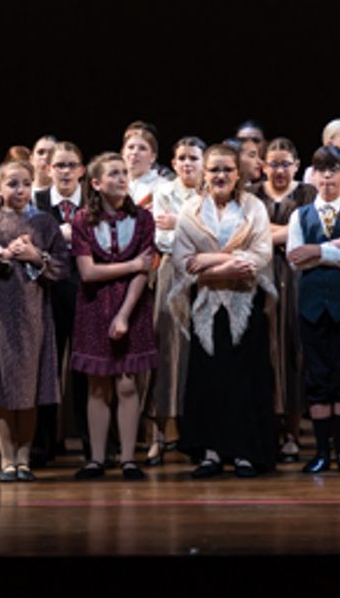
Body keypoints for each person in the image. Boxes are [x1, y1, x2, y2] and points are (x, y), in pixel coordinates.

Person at [170, 143, 278, 478]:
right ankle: (212, 452)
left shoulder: (253, 207)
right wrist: (225, 266)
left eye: (227, 170)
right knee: (210, 379)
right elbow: (184, 261)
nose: (220, 175)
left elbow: (260, 254)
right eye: (214, 169)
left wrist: (210, 261)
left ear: (237, 174)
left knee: (243, 378)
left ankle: (244, 451)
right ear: (204, 173)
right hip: (206, 305)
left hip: (245, 301)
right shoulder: (190, 210)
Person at [0, 160, 68, 482]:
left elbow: (62, 266)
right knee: (3, 388)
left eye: (25, 183)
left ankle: (24, 458)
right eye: (12, 184)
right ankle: (7, 458)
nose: (20, 190)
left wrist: (36, 257)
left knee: (28, 387)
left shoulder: (44, 223)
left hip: (33, 313)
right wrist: (3, 256)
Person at [69, 151, 157, 480]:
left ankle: (128, 458)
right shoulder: (82, 220)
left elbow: (144, 272)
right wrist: (131, 264)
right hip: (94, 306)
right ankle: (96, 458)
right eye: (114, 173)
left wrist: (123, 315)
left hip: (131, 306)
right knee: (97, 386)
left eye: (124, 173)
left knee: (127, 384)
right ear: (96, 183)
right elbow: (88, 272)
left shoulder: (143, 219)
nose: (122, 178)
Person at [287, 145, 340, 474]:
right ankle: (322, 451)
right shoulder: (300, 215)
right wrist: (335, 247)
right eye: (321, 170)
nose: (326, 177)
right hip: (311, 307)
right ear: (313, 175)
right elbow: (295, 259)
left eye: (333, 170)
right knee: (317, 376)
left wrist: (317, 252)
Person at [251, 136, 317, 462]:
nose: (279, 171)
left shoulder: (308, 194)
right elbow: (246, 231)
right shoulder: (251, 194)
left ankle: (291, 431)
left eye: (285, 164)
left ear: (297, 165)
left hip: (296, 277)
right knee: (263, 349)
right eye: (273, 164)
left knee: (293, 350)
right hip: (258, 278)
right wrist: (285, 232)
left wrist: (268, 232)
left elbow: (308, 231)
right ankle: (265, 430)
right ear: (263, 165)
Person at [146, 135, 204, 465]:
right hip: (172, 270)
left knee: (200, 351)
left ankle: (196, 433)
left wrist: (180, 222)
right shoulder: (164, 192)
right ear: (173, 162)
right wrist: (193, 229)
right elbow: (163, 238)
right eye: (182, 158)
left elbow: (213, 235)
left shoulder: (211, 192)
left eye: (193, 158)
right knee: (167, 348)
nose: (187, 163)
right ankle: (159, 432)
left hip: (206, 272)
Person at [31, 140, 86, 467]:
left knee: (85, 370)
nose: (65, 172)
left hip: (86, 293)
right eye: (59, 166)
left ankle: (93, 446)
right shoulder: (36, 202)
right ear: (48, 169)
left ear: (82, 170)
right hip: (46, 293)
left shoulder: (93, 203)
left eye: (71, 165)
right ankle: (43, 443)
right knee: (46, 370)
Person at [123, 124, 163, 209]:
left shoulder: (163, 187)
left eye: (142, 148)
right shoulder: (113, 183)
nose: (134, 152)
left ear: (153, 157)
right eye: (131, 147)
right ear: (123, 153)